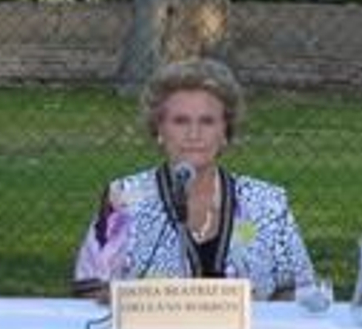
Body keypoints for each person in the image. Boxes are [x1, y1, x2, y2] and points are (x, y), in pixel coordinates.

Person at [73, 57, 314, 298]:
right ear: (159, 130)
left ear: (225, 133)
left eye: (207, 122)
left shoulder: (267, 202)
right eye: (180, 121)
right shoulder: (124, 197)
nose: (194, 134)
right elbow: (88, 287)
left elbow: (301, 290)